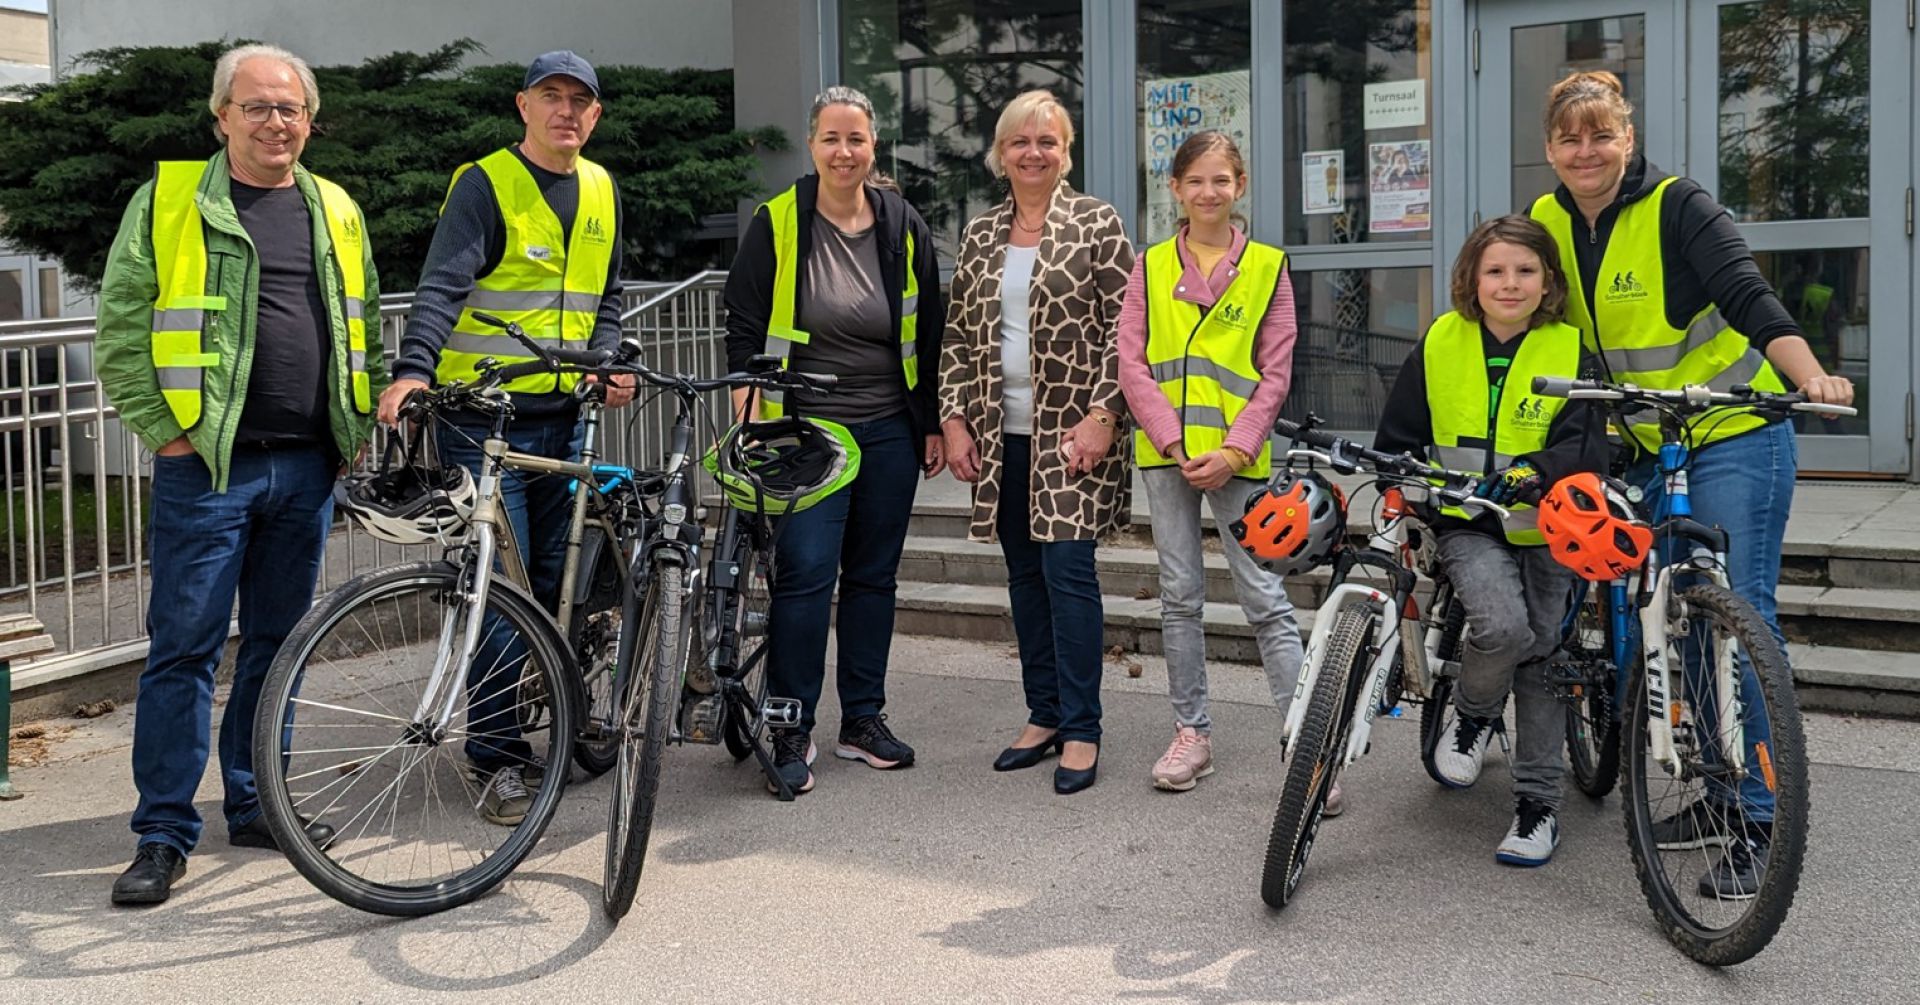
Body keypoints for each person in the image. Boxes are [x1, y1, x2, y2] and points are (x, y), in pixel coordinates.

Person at [1528, 70, 1854, 894]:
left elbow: (1748, 295)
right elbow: (1524, 314)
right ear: (1549, 149)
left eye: (1601, 135)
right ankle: (1715, 791)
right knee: (1670, 621)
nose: (1586, 150)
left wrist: (1811, 375)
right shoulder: (1545, 222)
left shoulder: (1678, 205)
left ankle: (1762, 819)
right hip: (1643, 443)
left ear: (1628, 139)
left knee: (1736, 612)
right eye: (1570, 138)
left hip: (1730, 432)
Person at [96, 43, 385, 904]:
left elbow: (359, 321)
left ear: (310, 120)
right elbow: (119, 332)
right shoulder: (169, 201)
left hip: (305, 468)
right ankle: (162, 833)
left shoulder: (334, 206)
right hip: (207, 471)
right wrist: (166, 434)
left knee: (277, 646)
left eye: (290, 108)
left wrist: (352, 427)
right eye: (256, 107)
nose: (276, 122)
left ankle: (258, 803)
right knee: (183, 651)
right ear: (220, 116)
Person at [376, 50, 634, 826]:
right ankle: (498, 756)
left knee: (566, 585)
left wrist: (612, 360)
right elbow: (444, 282)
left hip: (564, 419)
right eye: (551, 97)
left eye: (580, 101)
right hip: (482, 421)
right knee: (500, 591)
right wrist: (413, 369)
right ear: (523, 107)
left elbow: (609, 299)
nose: (566, 111)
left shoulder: (601, 188)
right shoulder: (484, 182)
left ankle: (564, 708)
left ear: (595, 115)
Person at [721, 85, 945, 796]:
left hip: (887, 426)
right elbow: (744, 316)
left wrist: (933, 419)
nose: (844, 151)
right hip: (805, 427)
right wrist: (746, 393)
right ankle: (789, 722)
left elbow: (930, 327)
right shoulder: (779, 222)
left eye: (856, 138)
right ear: (812, 144)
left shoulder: (901, 223)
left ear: (872, 145)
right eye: (830, 138)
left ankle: (863, 719)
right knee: (808, 571)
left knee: (874, 574)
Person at [1374, 215, 1608, 866]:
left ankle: (1538, 807)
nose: (1510, 283)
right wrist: (1402, 474)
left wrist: (1537, 470)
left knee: (1545, 656)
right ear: (1472, 280)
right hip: (1467, 522)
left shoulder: (1571, 349)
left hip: (1549, 528)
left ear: (1548, 282)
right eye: (1496, 270)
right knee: (1505, 629)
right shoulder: (1441, 341)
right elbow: (1400, 433)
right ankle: (1475, 714)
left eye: (1525, 271)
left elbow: (1584, 443)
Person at [941, 89, 1133, 795]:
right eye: (1020, 141)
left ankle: (1083, 726)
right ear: (1001, 153)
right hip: (1001, 432)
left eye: (1047, 140)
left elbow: (1127, 329)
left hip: (1073, 431)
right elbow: (959, 336)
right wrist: (956, 418)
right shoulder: (983, 232)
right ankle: (1044, 712)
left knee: (1068, 574)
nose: (1033, 152)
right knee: (1024, 576)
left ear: (1066, 150)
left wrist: (1104, 413)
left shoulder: (1097, 223)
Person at [1115, 131, 1316, 801]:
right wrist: (1175, 443)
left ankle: (1303, 743)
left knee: (1265, 598)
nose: (1208, 192)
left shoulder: (1267, 266)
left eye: (1220, 181)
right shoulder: (1148, 266)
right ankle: (1191, 734)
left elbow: (1276, 371)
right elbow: (1132, 364)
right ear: (1175, 189)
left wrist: (1233, 449)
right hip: (1167, 457)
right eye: (1195, 181)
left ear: (1240, 186)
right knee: (1180, 596)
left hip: (1240, 458)